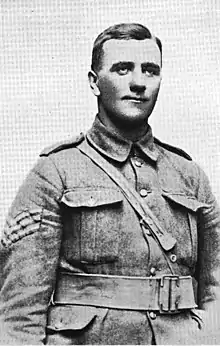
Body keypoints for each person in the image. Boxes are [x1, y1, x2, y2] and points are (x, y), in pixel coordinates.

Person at [0, 22, 220, 345]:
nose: (138, 83)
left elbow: (216, 289)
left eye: (150, 70)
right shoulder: (54, 173)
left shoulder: (191, 178)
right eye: (122, 69)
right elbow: (19, 322)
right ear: (94, 82)